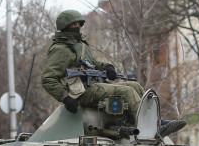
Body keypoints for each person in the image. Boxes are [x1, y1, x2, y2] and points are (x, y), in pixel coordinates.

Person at [41, 9, 186, 138]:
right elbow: (48, 79)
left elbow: (94, 64)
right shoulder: (60, 49)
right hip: (80, 93)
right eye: (74, 25)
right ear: (65, 26)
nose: (77, 27)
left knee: (134, 85)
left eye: (79, 24)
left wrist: (108, 67)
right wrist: (65, 98)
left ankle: (158, 121)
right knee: (126, 91)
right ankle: (151, 128)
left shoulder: (80, 46)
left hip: (92, 86)